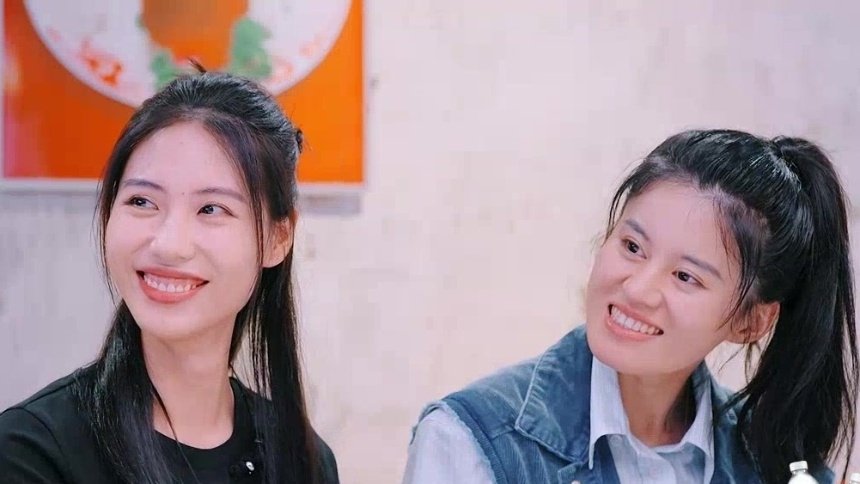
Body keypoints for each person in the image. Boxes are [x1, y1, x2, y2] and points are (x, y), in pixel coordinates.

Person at [403, 129, 858, 484]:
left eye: (685, 276)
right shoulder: (470, 441)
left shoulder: (775, 465)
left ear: (750, 321)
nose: (638, 289)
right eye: (633, 246)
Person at [0, 71, 339, 483]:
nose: (168, 244)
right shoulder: (32, 453)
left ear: (277, 238)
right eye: (142, 201)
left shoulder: (304, 461)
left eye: (211, 209)